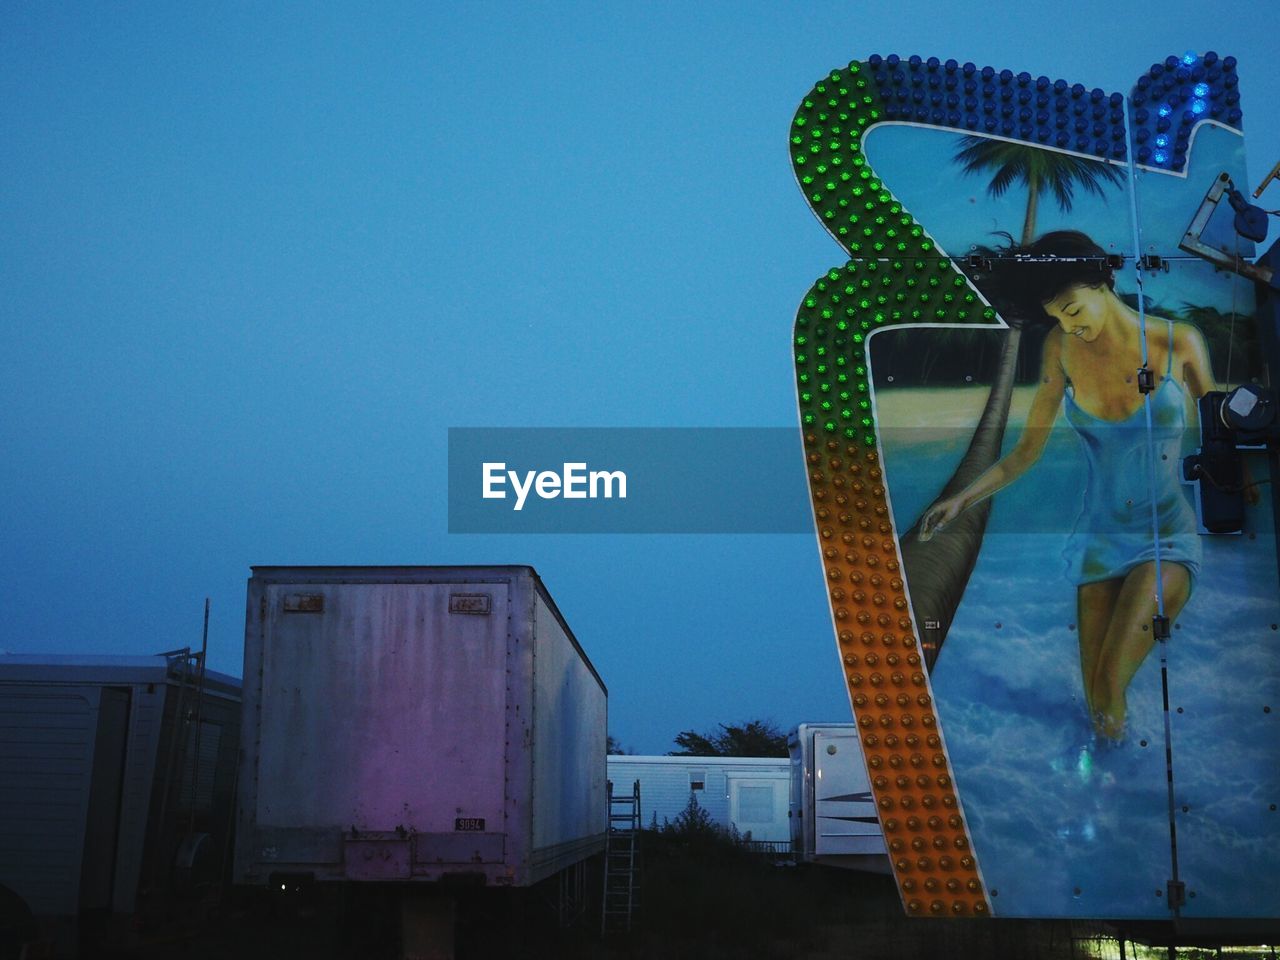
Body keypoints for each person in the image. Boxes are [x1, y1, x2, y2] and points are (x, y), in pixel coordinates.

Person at [917, 230, 1216, 741]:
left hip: (1167, 535)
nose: (1068, 325)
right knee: (1095, 705)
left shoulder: (1179, 341)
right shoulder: (1060, 348)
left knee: (1108, 684)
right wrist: (960, 500)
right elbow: (1025, 454)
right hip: (1098, 541)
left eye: (1072, 309)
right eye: (1056, 316)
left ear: (1105, 281)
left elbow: (1224, 428)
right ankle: (1114, 786)